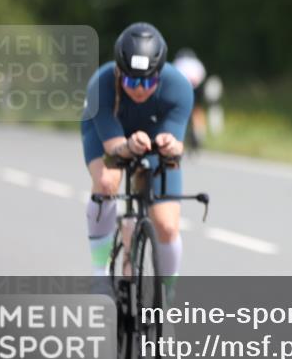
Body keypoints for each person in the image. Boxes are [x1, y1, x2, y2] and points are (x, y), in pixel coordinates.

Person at [81, 22, 193, 291]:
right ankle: (100, 272)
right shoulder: (102, 84)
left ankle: (168, 291)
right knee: (107, 183)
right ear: (119, 72)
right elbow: (113, 148)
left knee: (166, 224)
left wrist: (171, 146)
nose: (140, 89)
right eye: (131, 80)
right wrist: (129, 146)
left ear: (160, 73)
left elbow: (177, 147)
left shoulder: (179, 87)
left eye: (149, 81)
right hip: (108, 133)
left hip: (153, 133)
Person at [172, 47, 208, 151]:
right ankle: (199, 132)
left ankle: (179, 132)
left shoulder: (178, 62)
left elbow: (175, 78)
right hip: (197, 85)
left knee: (179, 108)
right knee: (197, 109)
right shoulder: (198, 63)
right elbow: (202, 76)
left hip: (183, 85)